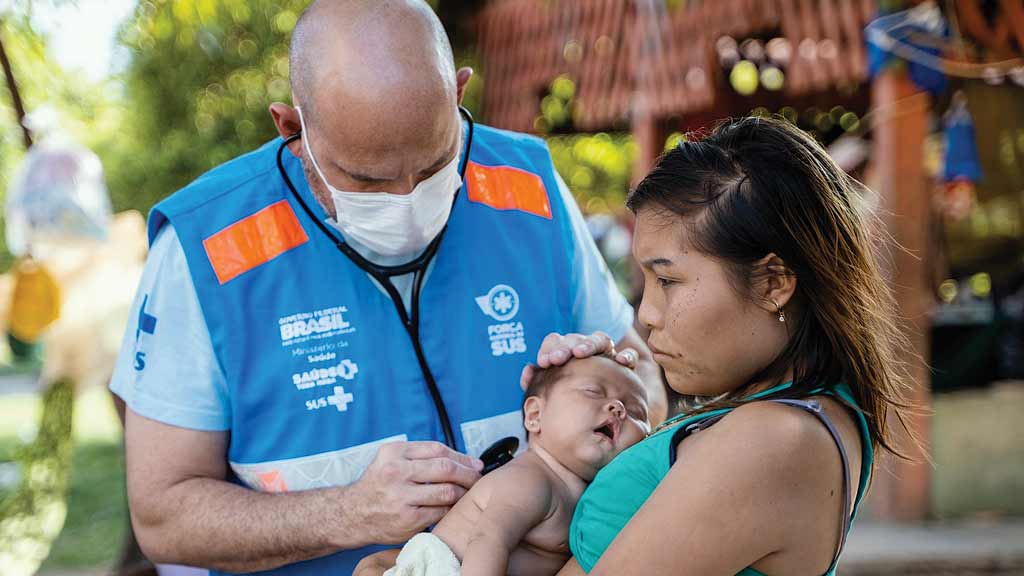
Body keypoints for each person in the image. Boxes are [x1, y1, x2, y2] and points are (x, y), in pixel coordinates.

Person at [108, 1, 666, 574]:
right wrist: (346, 513)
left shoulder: (528, 185)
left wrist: (610, 386)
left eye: (433, 167)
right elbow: (163, 516)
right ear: (291, 127)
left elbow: (646, 374)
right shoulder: (207, 245)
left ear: (458, 92)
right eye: (367, 181)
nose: (407, 202)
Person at [517, 116, 913, 575]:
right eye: (645, 280)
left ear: (773, 283)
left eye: (667, 280)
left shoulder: (773, 441)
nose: (646, 313)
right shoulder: (774, 416)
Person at [370, 355, 649, 576]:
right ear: (535, 415)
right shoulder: (529, 479)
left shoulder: (596, 493)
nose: (617, 408)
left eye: (636, 411)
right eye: (593, 391)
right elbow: (488, 541)